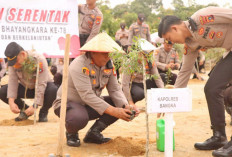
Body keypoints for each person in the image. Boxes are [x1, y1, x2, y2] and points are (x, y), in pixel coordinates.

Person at [158, 7, 232, 157]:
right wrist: (169, 102)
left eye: (170, 38)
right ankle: (219, 136)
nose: (171, 42)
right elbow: (184, 72)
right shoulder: (190, 45)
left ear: (175, 28)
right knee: (212, 88)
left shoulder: (202, 17)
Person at [53, 32, 140, 147]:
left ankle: (93, 133)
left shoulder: (109, 64)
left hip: (90, 104)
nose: (108, 56)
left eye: (109, 53)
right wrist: (114, 111)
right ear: (93, 52)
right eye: (104, 53)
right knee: (78, 117)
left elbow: (115, 89)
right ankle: (72, 133)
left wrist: (125, 106)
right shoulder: (79, 65)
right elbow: (87, 95)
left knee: (117, 104)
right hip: (69, 104)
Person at [0, 42, 58, 122]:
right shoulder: (13, 63)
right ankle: (26, 110)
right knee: (3, 91)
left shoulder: (39, 60)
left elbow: (41, 84)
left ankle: (43, 112)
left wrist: (35, 105)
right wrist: (11, 101)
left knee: (53, 90)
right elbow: (12, 81)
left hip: (43, 88)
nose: (14, 65)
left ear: (23, 54)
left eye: (16, 61)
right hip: (26, 87)